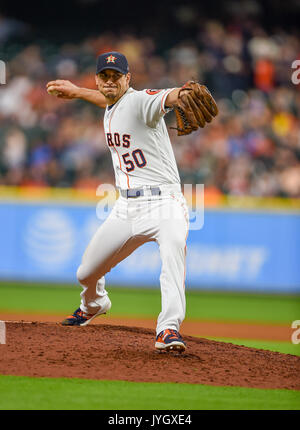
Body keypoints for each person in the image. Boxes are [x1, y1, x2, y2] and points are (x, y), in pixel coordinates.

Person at [47, 51, 191, 352]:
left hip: (165, 203)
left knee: (173, 251)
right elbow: (108, 100)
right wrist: (76, 91)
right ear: (99, 79)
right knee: (85, 273)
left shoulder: (140, 101)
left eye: (117, 76)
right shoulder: (113, 104)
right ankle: (95, 304)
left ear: (129, 78)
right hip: (126, 207)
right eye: (105, 76)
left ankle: (168, 328)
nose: (110, 81)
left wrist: (181, 94)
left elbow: (163, 98)